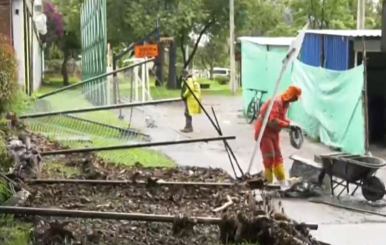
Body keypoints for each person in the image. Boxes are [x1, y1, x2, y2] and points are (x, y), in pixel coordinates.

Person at [253, 85, 302, 188]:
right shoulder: (277, 102)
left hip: (274, 132)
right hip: (264, 131)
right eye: (295, 98)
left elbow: (282, 118)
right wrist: (288, 125)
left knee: (278, 157)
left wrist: (292, 124)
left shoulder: (285, 104)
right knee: (269, 158)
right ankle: (268, 184)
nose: (295, 100)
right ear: (290, 95)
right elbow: (273, 119)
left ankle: (282, 182)